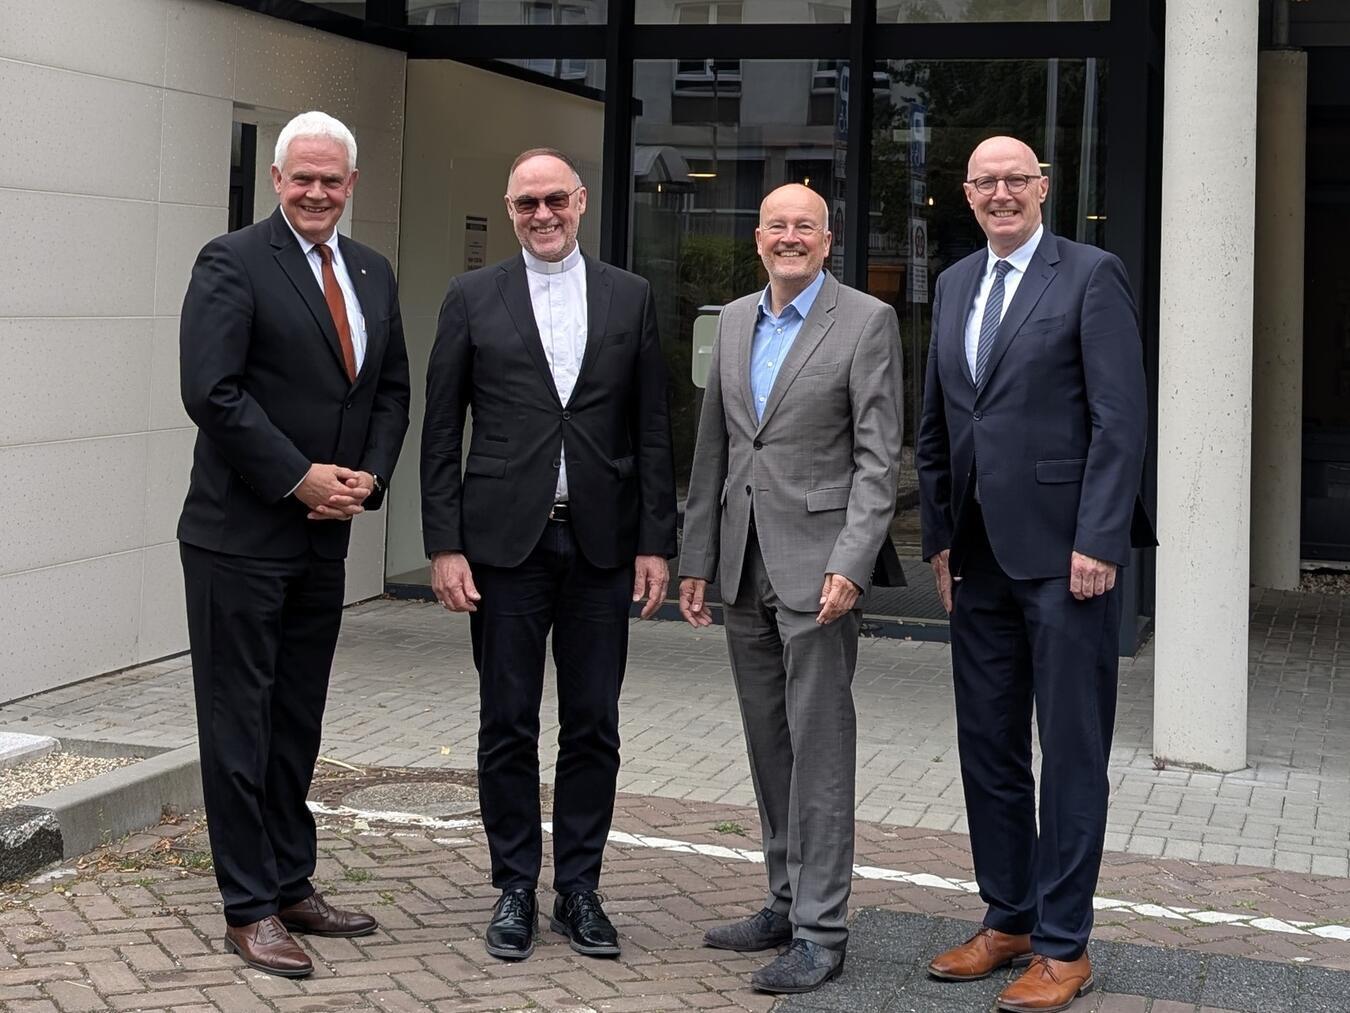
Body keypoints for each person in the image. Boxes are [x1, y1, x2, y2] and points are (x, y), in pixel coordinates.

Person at [420, 148, 677, 963]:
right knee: (507, 721)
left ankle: (580, 889)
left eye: (555, 200)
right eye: (527, 202)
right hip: (503, 546)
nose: (542, 214)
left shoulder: (630, 296)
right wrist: (444, 545)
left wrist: (655, 543)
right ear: (510, 209)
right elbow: (439, 430)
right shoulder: (470, 296)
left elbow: (654, 429)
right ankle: (513, 887)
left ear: (582, 202)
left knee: (594, 723)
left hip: (602, 543)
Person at [916, 136, 1154, 1013]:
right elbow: (939, 422)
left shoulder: (1090, 275)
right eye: (987, 181)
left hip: (1067, 561)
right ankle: (1008, 917)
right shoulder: (952, 285)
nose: (1002, 192)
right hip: (976, 562)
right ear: (968, 193)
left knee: (1072, 755)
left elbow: (1120, 420)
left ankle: (1064, 944)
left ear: (1044, 188)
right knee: (990, 748)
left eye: (1018, 178)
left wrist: (1098, 540)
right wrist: (939, 539)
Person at [178, 111, 410, 977]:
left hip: (324, 540)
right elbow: (213, 390)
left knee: (295, 720)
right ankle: (248, 906)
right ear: (276, 179)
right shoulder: (232, 261)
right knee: (239, 721)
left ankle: (288, 876)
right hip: (239, 535)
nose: (317, 192)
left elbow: (390, 389)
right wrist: (299, 475)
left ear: (351, 185)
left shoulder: (371, 271)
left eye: (333, 180)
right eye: (302, 177)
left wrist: (368, 479)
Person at [678, 184, 904, 995]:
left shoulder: (865, 322)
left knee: (819, 750)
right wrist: (695, 556)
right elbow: (715, 449)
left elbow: (880, 458)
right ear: (757, 236)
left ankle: (821, 929)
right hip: (742, 562)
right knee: (769, 745)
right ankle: (782, 899)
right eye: (776, 224)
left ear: (828, 238)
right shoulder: (735, 319)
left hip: (821, 569)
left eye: (803, 226)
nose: (789, 237)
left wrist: (854, 557)